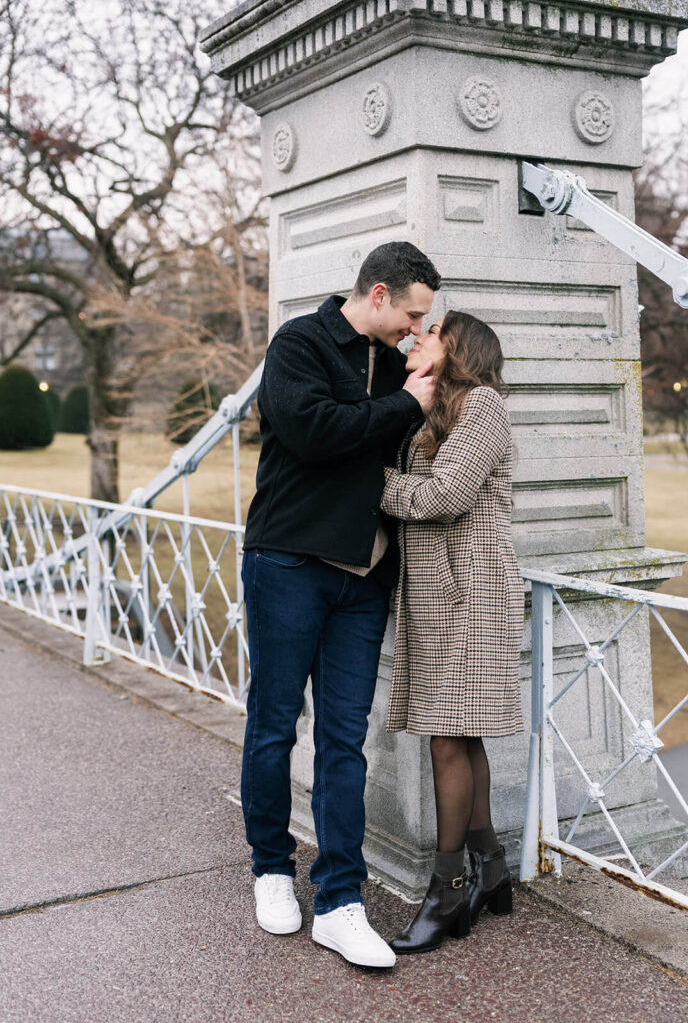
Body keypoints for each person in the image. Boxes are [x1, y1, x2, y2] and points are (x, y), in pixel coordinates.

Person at [240, 242, 441, 969]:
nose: (414, 329)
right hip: (288, 562)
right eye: (412, 315)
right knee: (272, 723)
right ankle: (270, 868)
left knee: (343, 742)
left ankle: (340, 901)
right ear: (379, 293)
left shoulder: (401, 369)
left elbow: (415, 447)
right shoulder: (298, 342)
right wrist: (408, 401)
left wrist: (433, 375)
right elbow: (315, 433)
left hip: (365, 577)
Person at [379, 311, 525, 955]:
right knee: (458, 734)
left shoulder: (484, 405)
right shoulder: (435, 406)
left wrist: (369, 482)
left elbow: (443, 497)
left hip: (473, 591)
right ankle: (491, 868)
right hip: (439, 594)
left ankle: (446, 891)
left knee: (446, 737)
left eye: (429, 330)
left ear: (458, 347)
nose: (416, 336)